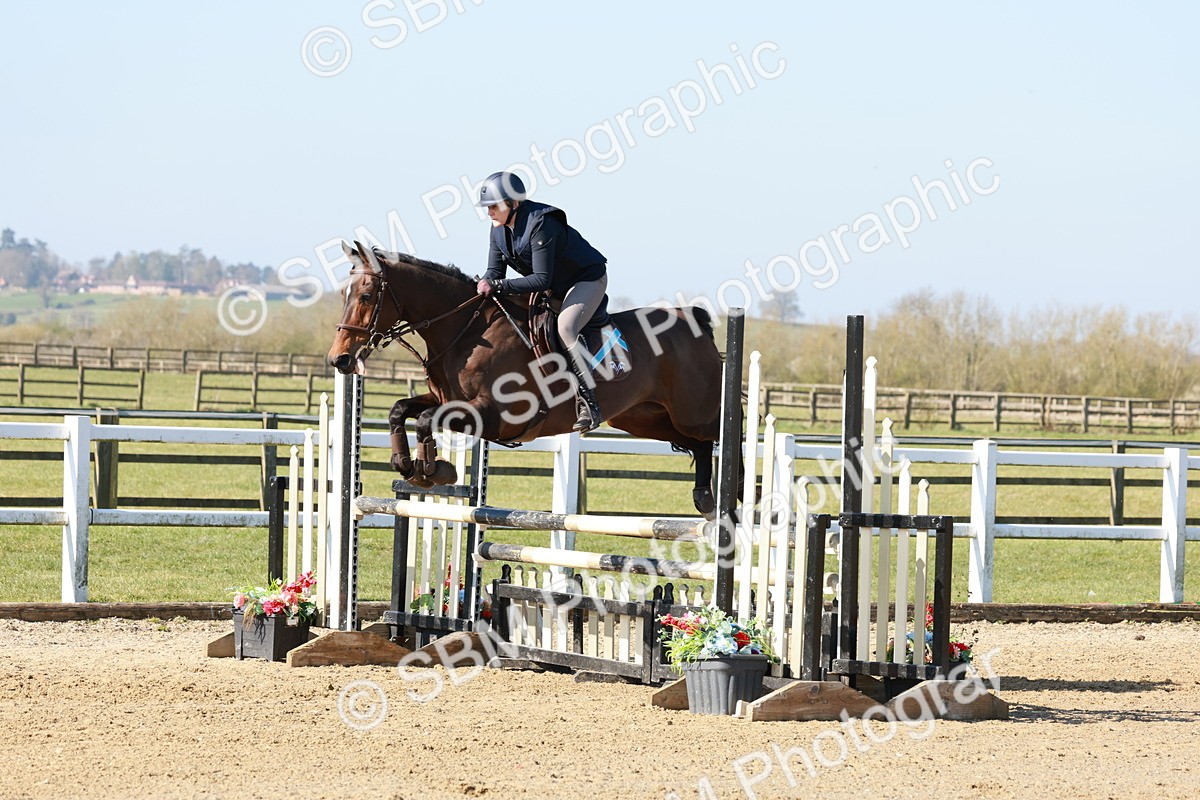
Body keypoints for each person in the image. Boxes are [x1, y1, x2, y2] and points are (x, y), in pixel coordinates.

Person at [474, 171, 609, 432]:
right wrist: (484, 284)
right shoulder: (498, 229)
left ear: (513, 203)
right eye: (487, 207)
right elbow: (495, 271)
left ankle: (589, 405)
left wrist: (497, 286)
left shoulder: (541, 224)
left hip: (585, 279)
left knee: (566, 327)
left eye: (494, 206)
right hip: (554, 286)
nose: (489, 212)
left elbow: (541, 279)